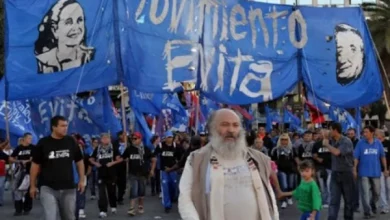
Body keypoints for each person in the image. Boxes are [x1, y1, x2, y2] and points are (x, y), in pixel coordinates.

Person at [179, 108, 279, 220]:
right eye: (225, 124)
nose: (231, 130)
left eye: (235, 125)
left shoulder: (258, 158)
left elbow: (269, 194)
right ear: (212, 129)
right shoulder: (197, 159)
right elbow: (185, 198)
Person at [30, 116, 85, 220]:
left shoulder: (71, 141)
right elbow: (35, 165)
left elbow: (79, 161)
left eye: (66, 126)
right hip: (47, 187)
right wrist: (32, 186)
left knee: (69, 217)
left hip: (68, 187)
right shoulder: (43, 143)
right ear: (54, 127)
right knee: (51, 216)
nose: (65, 128)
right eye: (62, 126)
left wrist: (82, 180)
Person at [353, 126, 388, 218]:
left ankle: (372, 205)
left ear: (372, 133)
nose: (364, 134)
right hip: (363, 173)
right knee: (365, 193)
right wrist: (354, 169)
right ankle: (367, 212)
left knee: (377, 192)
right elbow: (356, 157)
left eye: (366, 132)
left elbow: (382, 156)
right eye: (364, 132)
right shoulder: (360, 143)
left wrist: (385, 169)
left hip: (376, 172)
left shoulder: (378, 143)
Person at [119, 132, 156, 216]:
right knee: (134, 190)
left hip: (143, 173)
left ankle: (140, 205)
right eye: (132, 139)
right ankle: (132, 208)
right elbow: (123, 158)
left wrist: (152, 170)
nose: (133, 140)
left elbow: (154, 159)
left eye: (135, 138)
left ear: (140, 139)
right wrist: (115, 161)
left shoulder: (146, 149)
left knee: (141, 191)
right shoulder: (129, 149)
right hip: (133, 173)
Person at [323, 122, 355, 220]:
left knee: (348, 201)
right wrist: (324, 134)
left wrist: (327, 145)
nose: (329, 131)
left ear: (335, 130)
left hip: (346, 173)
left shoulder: (346, 141)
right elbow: (325, 134)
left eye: (330, 129)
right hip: (335, 173)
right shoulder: (331, 139)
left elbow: (337, 152)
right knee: (334, 200)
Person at [89, 133, 121, 218]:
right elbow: (91, 159)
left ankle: (113, 206)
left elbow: (120, 159)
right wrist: (96, 163)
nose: (106, 139)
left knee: (112, 191)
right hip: (101, 174)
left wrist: (112, 163)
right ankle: (103, 210)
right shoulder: (98, 148)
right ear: (101, 139)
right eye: (104, 138)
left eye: (108, 138)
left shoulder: (114, 148)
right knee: (101, 193)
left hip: (111, 173)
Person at [154, 131, 182, 213]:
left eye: (171, 137)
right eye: (168, 137)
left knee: (173, 185)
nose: (169, 139)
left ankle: (173, 197)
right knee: (165, 187)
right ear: (165, 138)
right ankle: (167, 205)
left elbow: (181, 158)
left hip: (173, 170)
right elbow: (154, 155)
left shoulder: (176, 146)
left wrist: (177, 167)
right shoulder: (160, 146)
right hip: (164, 171)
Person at [9, 133, 34, 216]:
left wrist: (28, 161)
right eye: (29, 138)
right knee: (17, 190)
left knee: (28, 192)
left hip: (30, 173)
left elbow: (36, 158)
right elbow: (11, 158)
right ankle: (18, 210)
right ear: (24, 139)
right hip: (20, 173)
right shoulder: (18, 148)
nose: (30, 140)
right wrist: (18, 161)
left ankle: (27, 208)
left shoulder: (33, 148)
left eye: (31, 138)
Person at [271, 133, 295, 209]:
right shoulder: (275, 150)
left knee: (290, 185)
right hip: (281, 170)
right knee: (284, 186)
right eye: (282, 140)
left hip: (291, 170)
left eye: (286, 140)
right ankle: (283, 200)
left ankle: (289, 197)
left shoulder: (292, 149)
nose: (284, 141)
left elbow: (295, 159)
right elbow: (273, 160)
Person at [312, 129, 332, 209]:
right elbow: (313, 154)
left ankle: (330, 201)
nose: (322, 134)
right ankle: (324, 201)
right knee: (322, 186)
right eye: (321, 133)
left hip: (330, 167)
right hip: (320, 167)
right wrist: (317, 158)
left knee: (329, 185)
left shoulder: (332, 143)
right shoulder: (316, 144)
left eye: (324, 133)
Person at [376, 129, 390, 214]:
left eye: (376, 134)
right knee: (381, 189)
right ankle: (384, 206)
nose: (374, 135)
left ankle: (388, 204)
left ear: (381, 135)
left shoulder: (388, 143)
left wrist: (388, 170)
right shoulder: (375, 144)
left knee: (388, 187)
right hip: (379, 170)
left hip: (388, 169)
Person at [112, 131, 128, 205]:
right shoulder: (114, 144)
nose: (124, 137)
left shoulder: (128, 143)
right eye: (122, 135)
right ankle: (113, 198)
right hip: (115, 165)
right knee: (114, 182)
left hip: (124, 165)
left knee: (123, 183)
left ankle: (120, 198)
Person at [0, 140, 10, 207]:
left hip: (1, 173)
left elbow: (9, 161)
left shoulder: (3, 154)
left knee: (0, 187)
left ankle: (0, 201)